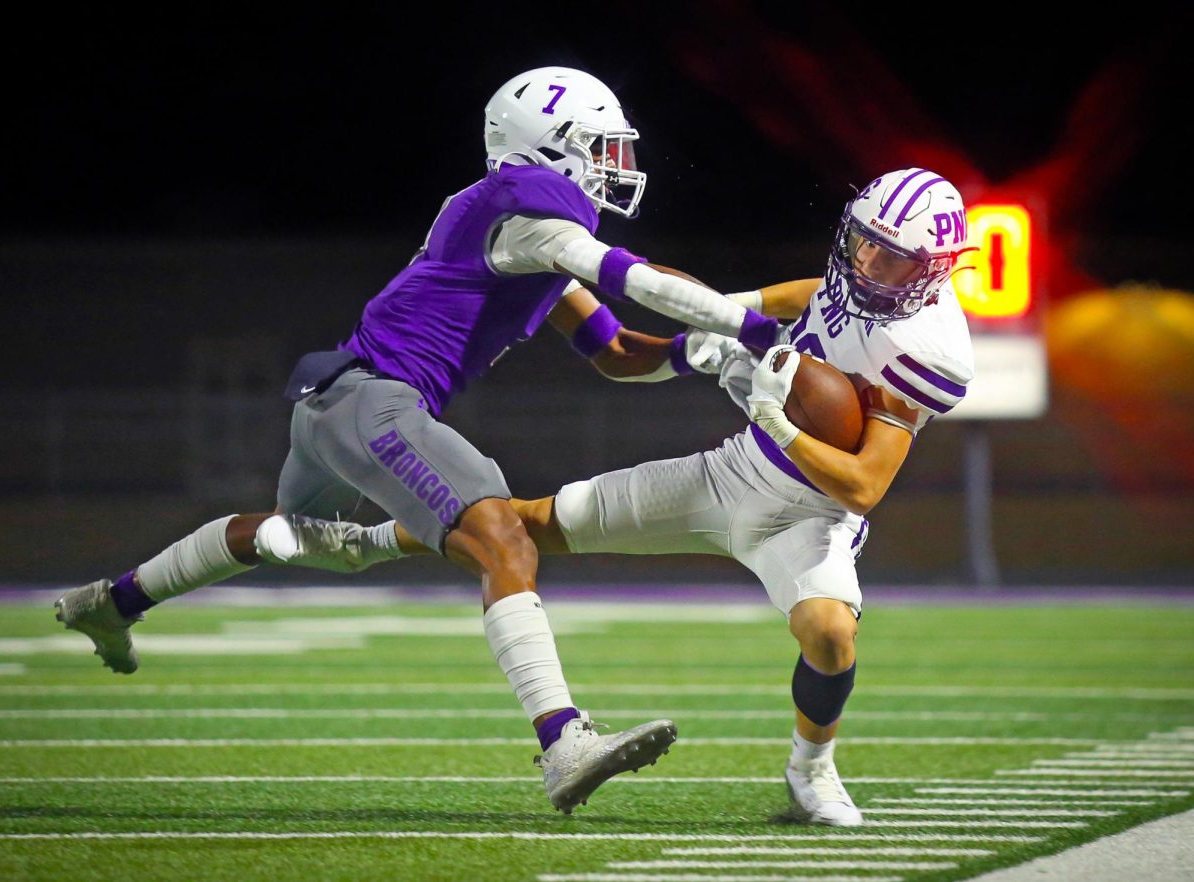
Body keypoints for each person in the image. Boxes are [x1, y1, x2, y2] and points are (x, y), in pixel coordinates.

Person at [53, 66, 785, 815]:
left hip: (336, 401)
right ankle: (565, 740)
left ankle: (114, 602)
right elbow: (635, 280)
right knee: (503, 536)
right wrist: (756, 326)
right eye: (600, 147)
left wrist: (695, 353)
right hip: (372, 399)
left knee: (300, 539)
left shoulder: (530, 241)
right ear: (548, 148)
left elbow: (619, 350)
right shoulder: (527, 214)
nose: (615, 165)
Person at [230, 168, 976, 826]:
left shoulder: (930, 348)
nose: (869, 261)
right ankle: (370, 543)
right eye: (865, 240)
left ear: (933, 269)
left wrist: (776, 415)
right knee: (520, 528)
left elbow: (865, 484)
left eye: (894, 254)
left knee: (830, 634)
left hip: (810, 516)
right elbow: (742, 307)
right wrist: (725, 326)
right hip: (725, 476)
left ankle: (811, 770)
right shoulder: (836, 286)